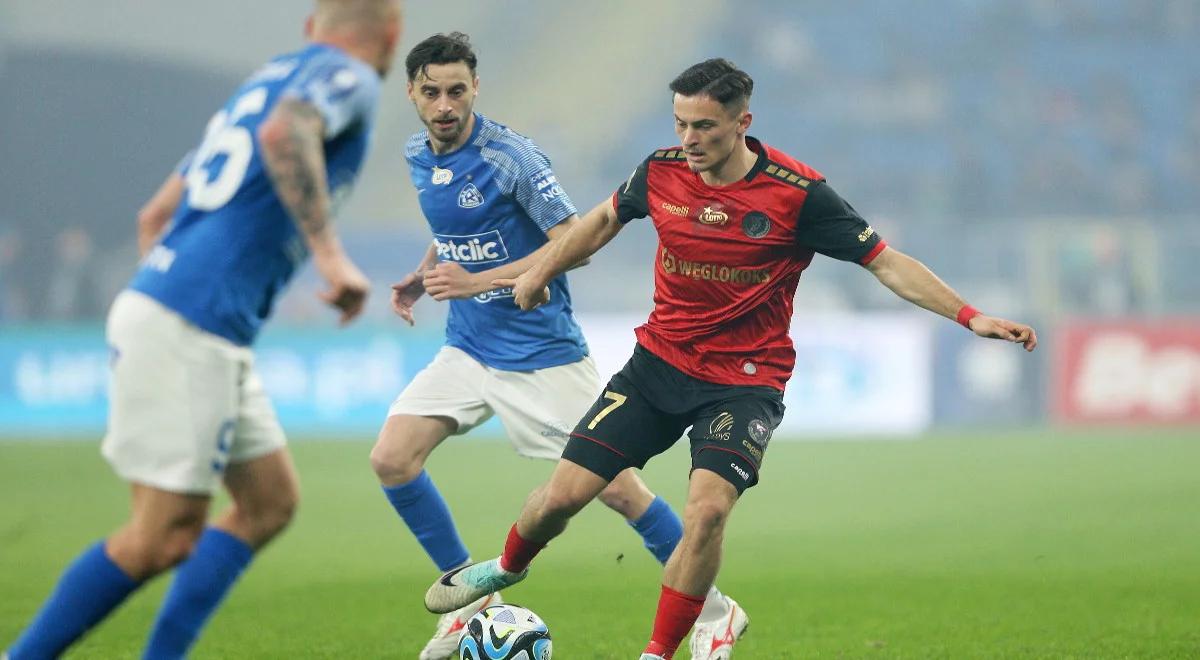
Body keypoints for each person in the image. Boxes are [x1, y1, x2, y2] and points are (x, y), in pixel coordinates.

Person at [423, 58, 1039, 659]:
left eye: (704, 127)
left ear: (743, 122)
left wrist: (969, 315)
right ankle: (504, 569)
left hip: (742, 384)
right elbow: (604, 219)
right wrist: (542, 268)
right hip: (656, 367)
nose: (688, 140)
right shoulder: (660, 172)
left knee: (708, 510)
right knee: (560, 498)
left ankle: (663, 650)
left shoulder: (799, 195)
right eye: (680, 125)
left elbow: (885, 261)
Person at [3, 2, 401, 658]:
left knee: (268, 501)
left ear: (310, 27)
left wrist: (180, 287)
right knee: (159, 537)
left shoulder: (265, 81)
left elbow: (153, 215)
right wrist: (330, 257)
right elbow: (286, 134)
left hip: (192, 316)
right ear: (389, 37)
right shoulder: (347, 77)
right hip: (191, 322)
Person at [371, 33, 746, 660]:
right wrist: (426, 270)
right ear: (412, 92)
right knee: (392, 458)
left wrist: (475, 281)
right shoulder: (417, 153)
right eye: (431, 92)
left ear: (475, 89)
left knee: (621, 491)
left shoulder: (510, 156)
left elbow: (573, 238)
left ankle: (715, 609)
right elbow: (457, 227)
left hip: (543, 357)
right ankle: (471, 603)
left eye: (457, 91)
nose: (444, 105)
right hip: (467, 348)